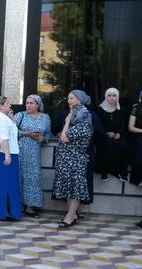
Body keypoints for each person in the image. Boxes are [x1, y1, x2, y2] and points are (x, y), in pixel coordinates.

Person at [52, 90, 93, 227]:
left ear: (80, 100)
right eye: (68, 98)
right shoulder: (75, 115)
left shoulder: (84, 119)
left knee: (75, 188)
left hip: (76, 158)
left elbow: (64, 137)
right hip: (66, 158)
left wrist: (67, 122)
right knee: (69, 187)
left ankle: (69, 216)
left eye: (72, 98)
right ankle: (72, 214)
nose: (69, 100)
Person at [14, 95, 51, 218]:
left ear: (38, 105)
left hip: (34, 153)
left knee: (33, 178)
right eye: (27, 103)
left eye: (31, 103)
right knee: (19, 177)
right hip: (19, 151)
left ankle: (30, 207)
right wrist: (26, 133)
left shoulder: (45, 117)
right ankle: (18, 205)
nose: (28, 105)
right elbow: (11, 131)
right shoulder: (20, 116)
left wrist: (43, 139)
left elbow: (48, 134)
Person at [0, 96, 22, 221]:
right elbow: (4, 138)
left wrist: (11, 120)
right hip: (4, 154)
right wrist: (7, 155)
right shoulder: (1, 119)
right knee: (8, 184)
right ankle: (6, 212)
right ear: (0, 106)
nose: (10, 106)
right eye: (7, 104)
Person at [96, 87, 128, 181]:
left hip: (118, 135)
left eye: (114, 95)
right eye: (109, 95)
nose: (111, 98)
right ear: (106, 96)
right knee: (107, 145)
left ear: (117, 97)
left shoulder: (121, 109)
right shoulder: (100, 109)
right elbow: (99, 124)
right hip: (104, 135)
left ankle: (121, 173)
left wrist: (119, 133)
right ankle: (104, 172)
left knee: (123, 145)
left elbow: (123, 124)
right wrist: (106, 133)